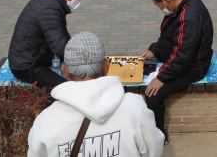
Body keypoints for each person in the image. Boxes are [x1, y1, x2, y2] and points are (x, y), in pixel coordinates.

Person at [27, 32, 164, 157]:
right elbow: (154, 149)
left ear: (65, 71)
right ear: (106, 67)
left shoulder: (45, 121)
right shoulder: (135, 107)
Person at [142, 0, 213, 144]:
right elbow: (169, 36)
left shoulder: (190, 17)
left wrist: (161, 78)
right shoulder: (180, 4)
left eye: (158, 5)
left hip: (193, 67)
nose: (160, 9)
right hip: (181, 59)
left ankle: (160, 136)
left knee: (153, 95)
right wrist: (155, 49)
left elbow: (182, 56)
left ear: (167, 0)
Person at [8, 0, 90, 89]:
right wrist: (85, 60)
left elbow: (61, 34)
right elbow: (60, 47)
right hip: (26, 66)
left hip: (33, 56)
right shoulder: (50, 9)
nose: (78, 0)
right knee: (66, 89)